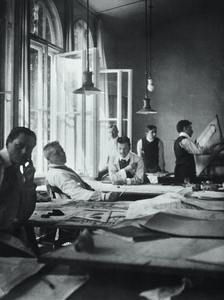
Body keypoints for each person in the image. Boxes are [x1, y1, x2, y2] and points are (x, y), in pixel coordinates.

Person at [0, 127, 37, 256]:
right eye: (19, 146)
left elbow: (22, 215)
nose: (23, 152)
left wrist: (29, 183)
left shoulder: (17, 173)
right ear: (8, 142)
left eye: (29, 149)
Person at [43, 141, 118, 201]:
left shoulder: (61, 170)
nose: (62, 154)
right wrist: (104, 196)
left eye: (62, 150)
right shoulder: (58, 174)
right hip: (74, 207)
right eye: (57, 153)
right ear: (48, 159)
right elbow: (77, 193)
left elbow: (84, 187)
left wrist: (101, 194)